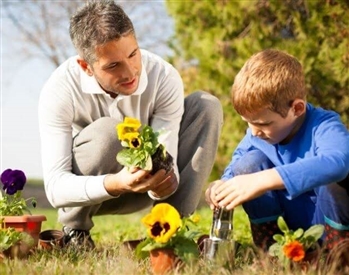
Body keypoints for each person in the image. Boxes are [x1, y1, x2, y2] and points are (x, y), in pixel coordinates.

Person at [38, 0, 223, 249]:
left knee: (206, 105)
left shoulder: (164, 77)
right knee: (108, 132)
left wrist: (161, 183)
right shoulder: (59, 89)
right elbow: (55, 187)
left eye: (133, 54)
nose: (130, 72)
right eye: (113, 65)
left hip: (143, 191)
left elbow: (167, 153)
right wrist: (116, 183)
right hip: (91, 193)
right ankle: (76, 233)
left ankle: (169, 234)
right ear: (86, 67)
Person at [205, 49, 349, 251]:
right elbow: (239, 163)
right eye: (248, 124)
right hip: (287, 230)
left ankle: (338, 255)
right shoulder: (258, 134)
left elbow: (338, 163)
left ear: (297, 109)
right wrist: (222, 186)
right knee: (247, 165)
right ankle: (271, 249)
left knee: (338, 178)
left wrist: (264, 180)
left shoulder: (324, 125)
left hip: (328, 224)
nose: (254, 133)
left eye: (263, 124)